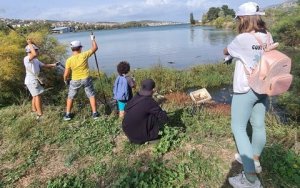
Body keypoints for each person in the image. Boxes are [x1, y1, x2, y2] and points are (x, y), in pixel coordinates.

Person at [223, 2, 275, 188]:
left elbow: (226, 51)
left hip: (246, 89)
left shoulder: (243, 38)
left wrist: (230, 54)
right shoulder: (267, 35)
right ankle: (256, 161)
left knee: (238, 127)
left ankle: (250, 179)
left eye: (239, 18)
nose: (238, 21)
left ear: (243, 18)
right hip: (263, 86)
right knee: (258, 124)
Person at [63, 34, 99, 121]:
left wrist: (65, 80)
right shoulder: (84, 55)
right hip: (86, 78)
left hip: (75, 80)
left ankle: (67, 115)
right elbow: (95, 48)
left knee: (70, 97)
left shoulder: (69, 60)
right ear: (80, 48)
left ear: (72, 49)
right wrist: (92, 39)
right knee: (91, 95)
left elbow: (66, 74)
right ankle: (95, 114)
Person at [122, 79, 168, 144]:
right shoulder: (149, 101)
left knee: (147, 113)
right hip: (138, 137)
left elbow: (126, 109)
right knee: (154, 115)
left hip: (127, 131)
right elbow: (164, 118)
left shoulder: (136, 96)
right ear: (153, 90)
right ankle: (149, 137)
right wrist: (164, 112)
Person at [24, 39, 57, 120]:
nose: (37, 52)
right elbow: (34, 54)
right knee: (37, 96)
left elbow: (44, 65)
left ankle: (33, 110)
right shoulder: (27, 58)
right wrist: (29, 43)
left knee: (35, 96)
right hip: (31, 81)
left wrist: (54, 65)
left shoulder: (35, 60)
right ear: (31, 50)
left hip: (34, 80)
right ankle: (40, 115)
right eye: (36, 50)